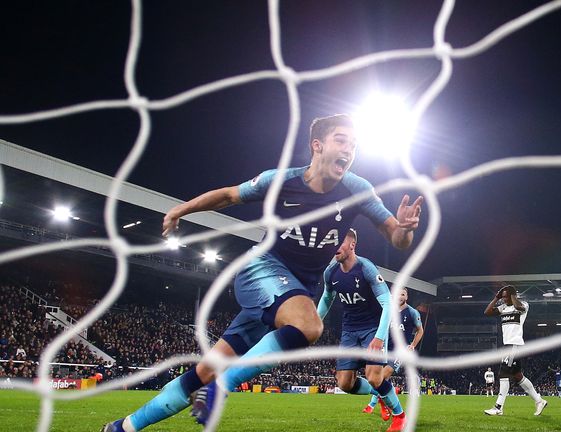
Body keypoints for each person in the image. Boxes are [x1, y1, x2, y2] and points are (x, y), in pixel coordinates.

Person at [101, 114, 423, 432]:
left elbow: (395, 236)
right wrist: (181, 209)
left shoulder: (358, 189)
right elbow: (229, 195)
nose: (349, 150)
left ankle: (124, 426)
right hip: (262, 269)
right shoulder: (282, 181)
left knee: (203, 371)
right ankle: (219, 389)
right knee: (308, 324)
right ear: (317, 146)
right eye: (341, 140)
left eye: (354, 145)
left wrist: (405, 229)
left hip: (289, 293)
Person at [317, 229, 406, 432]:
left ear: (352, 245)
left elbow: (387, 304)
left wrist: (379, 337)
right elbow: (326, 298)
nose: (334, 247)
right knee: (344, 384)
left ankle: (400, 416)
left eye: (339, 243)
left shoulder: (366, 268)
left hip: (372, 328)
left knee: (375, 377)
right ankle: (382, 394)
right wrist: (315, 322)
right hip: (349, 330)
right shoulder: (330, 272)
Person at [482, 285, 547, 417]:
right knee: (518, 376)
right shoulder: (503, 308)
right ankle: (539, 401)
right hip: (508, 345)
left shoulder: (523, 305)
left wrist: (512, 295)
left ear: (512, 295)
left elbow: (519, 308)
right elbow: (487, 312)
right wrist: (496, 298)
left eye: (506, 296)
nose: (504, 299)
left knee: (503, 374)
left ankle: (498, 407)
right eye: (503, 297)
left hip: (514, 345)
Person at [362, 287, 423, 418]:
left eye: (403, 294)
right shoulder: (388, 310)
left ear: (406, 297)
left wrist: (412, 345)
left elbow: (420, 330)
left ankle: (379, 404)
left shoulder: (412, 312)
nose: (400, 296)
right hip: (385, 348)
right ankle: (375, 403)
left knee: (384, 375)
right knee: (380, 379)